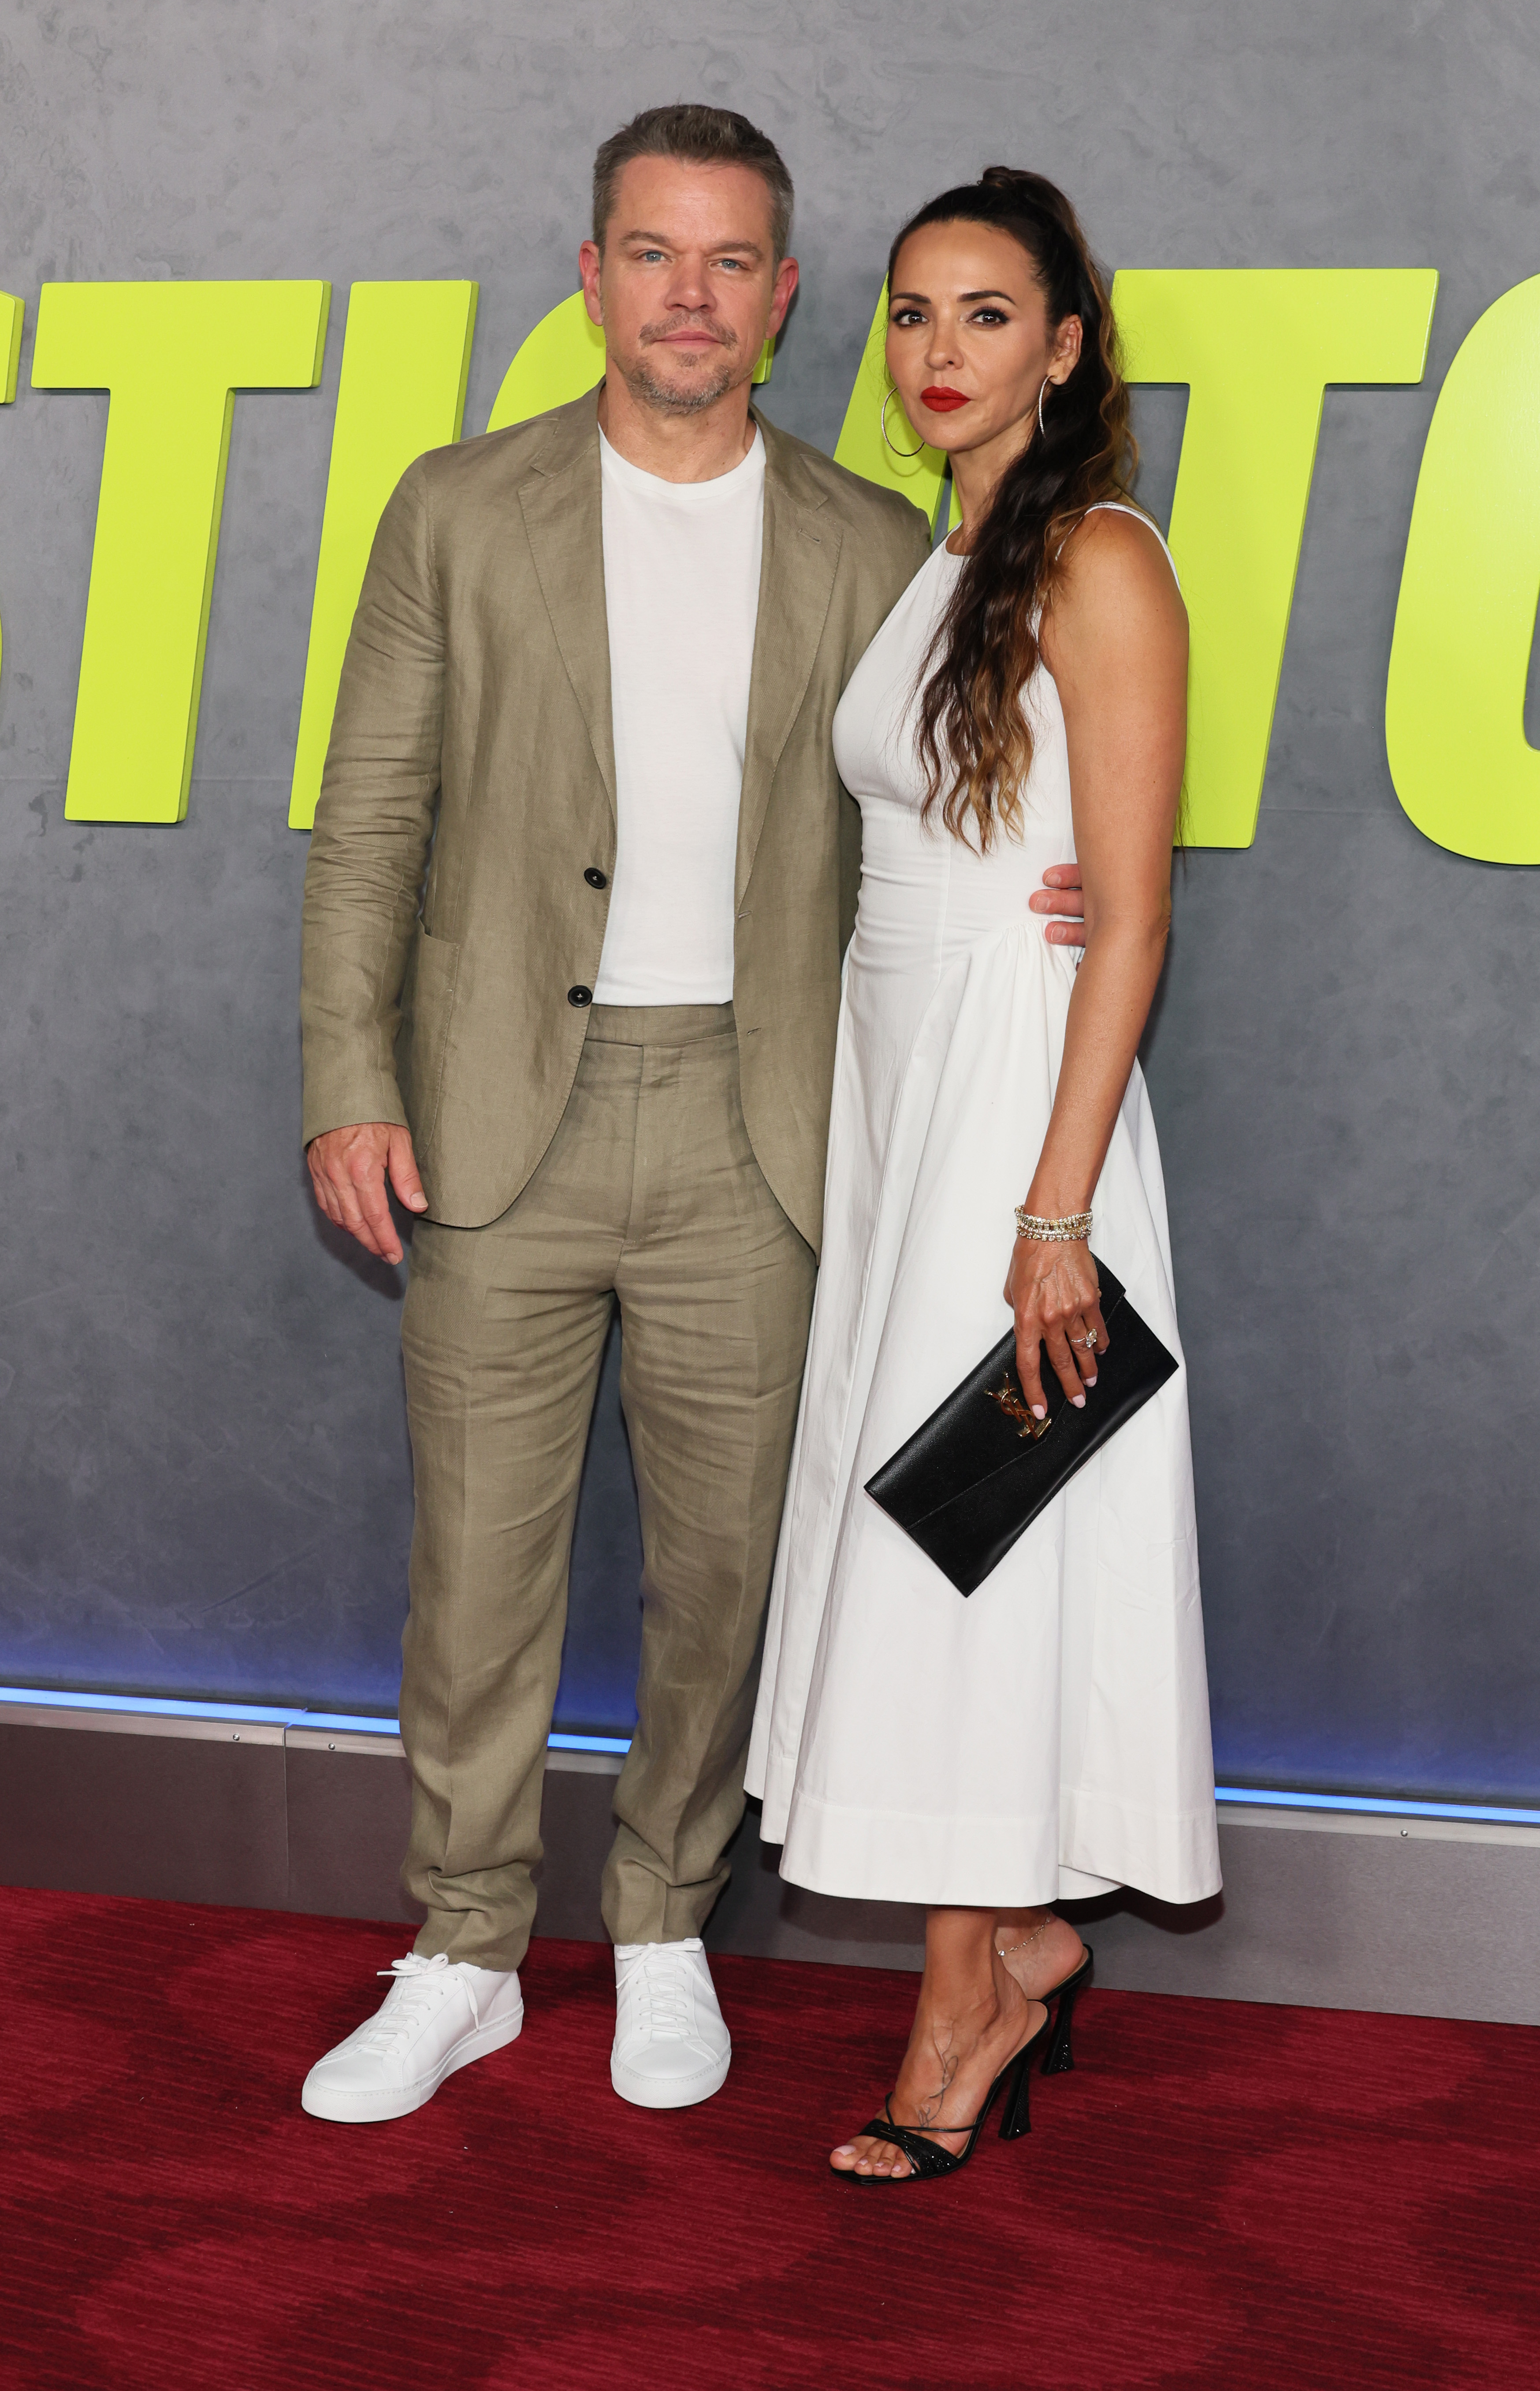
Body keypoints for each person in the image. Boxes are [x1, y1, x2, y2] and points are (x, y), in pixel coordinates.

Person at [296, 108, 1088, 2124]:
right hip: (497, 1123)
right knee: (479, 1567)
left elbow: (970, 775)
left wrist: (1066, 875)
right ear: (590, 276)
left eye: (733, 262)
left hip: (760, 1125)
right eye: (653, 253)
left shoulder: (864, 538)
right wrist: (346, 1079)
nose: (690, 296)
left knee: (728, 1569)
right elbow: (370, 818)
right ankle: (462, 1945)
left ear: (783, 297)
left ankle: (665, 1919)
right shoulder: (454, 509)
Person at [746, 167, 1222, 2183]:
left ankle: (975, 1993)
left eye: (987, 314)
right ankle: (1010, 1938)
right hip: (902, 1081)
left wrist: (1056, 1215)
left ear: (1068, 340)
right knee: (929, 1527)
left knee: (970, 1537)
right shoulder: (941, 556)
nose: (941, 351)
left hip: (1025, 1109)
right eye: (916, 316)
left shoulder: (1101, 556)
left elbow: (1126, 912)